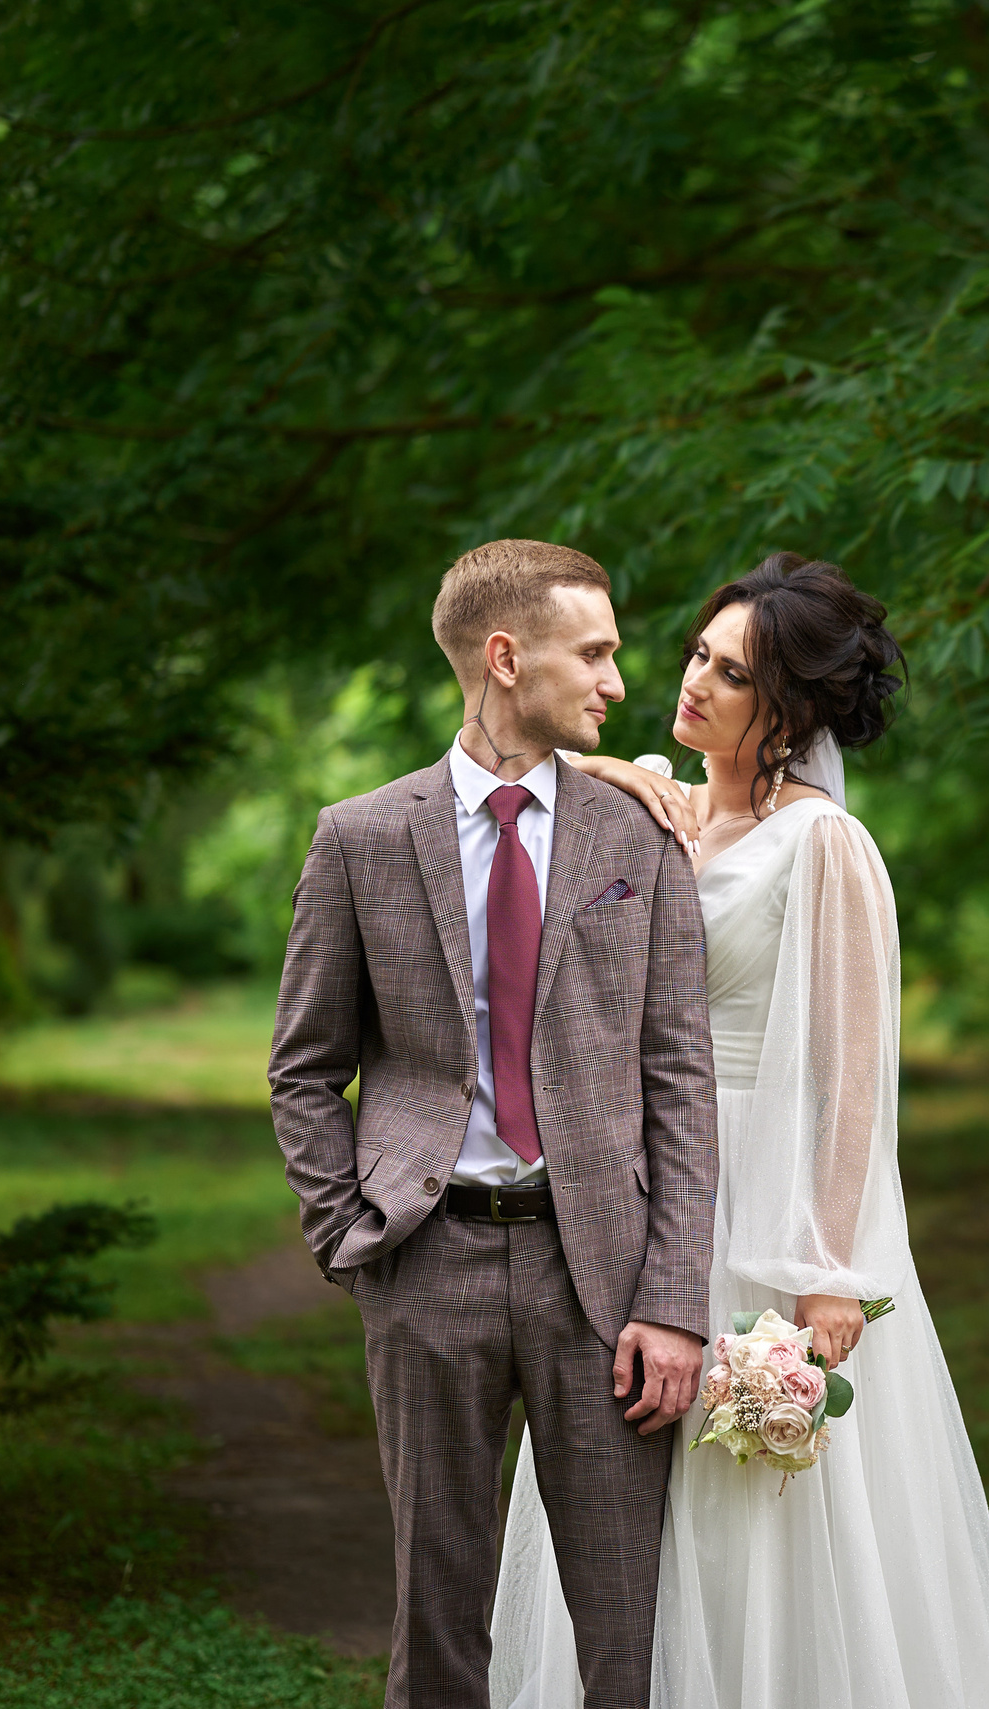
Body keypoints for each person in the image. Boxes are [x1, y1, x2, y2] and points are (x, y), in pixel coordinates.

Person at [489, 552, 989, 1709]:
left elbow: (848, 1076)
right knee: (617, 1483)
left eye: (730, 673)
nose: (691, 680)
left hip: (758, 1200)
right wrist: (604, 768)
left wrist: (826, 1271)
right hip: (629, 1195)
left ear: (787, 710)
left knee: (748, 1508)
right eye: (696, 651)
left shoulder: (822, 843)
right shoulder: (647, 797)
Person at [268, 540, 719, 1709]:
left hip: (604, 1280)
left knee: (627, 1621)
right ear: (506, 657)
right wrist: (345, 1232)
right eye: (597, 651)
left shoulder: (639, 833)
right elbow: (305, 1066)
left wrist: (672, 1299)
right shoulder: (362, 836)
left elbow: (678, 1075)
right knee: (437, 1611)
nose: (620, 681)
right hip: (428, 1259)